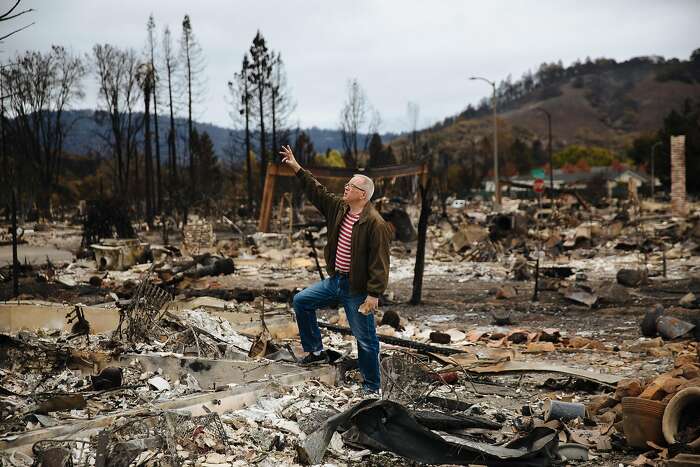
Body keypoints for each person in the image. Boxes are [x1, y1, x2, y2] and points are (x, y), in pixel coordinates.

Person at [279, 145, 390, 393]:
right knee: (302, 301)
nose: (345, 188)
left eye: (351, 187)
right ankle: (316, 352)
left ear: (362, 195)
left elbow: (380, 261)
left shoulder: (375, 223)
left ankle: (372, 387)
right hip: (335, 281)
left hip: (357, 288)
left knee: (366, 339)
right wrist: (297, 167)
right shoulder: (339, 208)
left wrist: (374, 294)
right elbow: (316, 191)